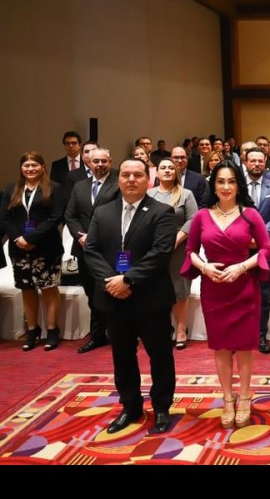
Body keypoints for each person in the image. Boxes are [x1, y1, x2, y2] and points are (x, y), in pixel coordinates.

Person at [83, 158, 178, 434]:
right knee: (122, 356)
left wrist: (128, 279)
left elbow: (161, 252)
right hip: (113, 298)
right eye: (126, 175)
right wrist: (111, 281)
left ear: (148, 180)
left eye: (137, 175)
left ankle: (161, 407)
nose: (131, 180)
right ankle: (130, 407)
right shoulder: (103, 212)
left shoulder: (162, 211)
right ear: (119, 179)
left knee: (160, 355)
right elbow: (91, 250)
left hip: (151, 298)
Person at [182, 160, 270, 429]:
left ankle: (244, 396)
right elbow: (190, 251)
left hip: (243, 287)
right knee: (220, 346)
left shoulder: (250, 214)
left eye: (231, 181)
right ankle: (227, 398)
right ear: (213, 185)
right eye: (220, 181)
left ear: (239, 185)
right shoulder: (201, 216)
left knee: (244, 346)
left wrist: (242, 267)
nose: (226, 187)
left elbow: (266, 249)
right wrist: (205, 267)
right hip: (214, 288)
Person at [0, 152, 67, 351]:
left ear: (43, 166)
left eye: (34, 165)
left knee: (48, 288)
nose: (30, 169)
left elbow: (56, 217)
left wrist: (31, 238)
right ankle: (32, 330)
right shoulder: (12, 188)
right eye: (26, 165)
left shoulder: (54, 187)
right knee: (26, 289)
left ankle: (52, 329)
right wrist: (18, 238)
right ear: (21, 168)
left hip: (46, 247)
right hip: (18, 247)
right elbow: (4, 218)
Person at [64, 146, 119, 354]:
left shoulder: (118, 183)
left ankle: (116, 333)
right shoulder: (80, 186)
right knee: (91, 294)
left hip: (108, 248)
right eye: (96, 161)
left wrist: (92, 236)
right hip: (83, 248)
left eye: (104, 161)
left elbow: (118, 213)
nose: (100, 165)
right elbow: (70, 216)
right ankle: (97, 336)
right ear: (89, 163)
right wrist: (80, 236)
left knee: (109, 291)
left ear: (110, 162)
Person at [148, 157, 198, 349]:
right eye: (163, 167)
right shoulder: (149, 194)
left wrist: (175, 240)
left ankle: (181, 329)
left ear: (176, 172)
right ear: (157, 172)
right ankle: (164, 328)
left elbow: (193, 219)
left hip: (179, 248)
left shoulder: (186, 194)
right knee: (158, 289)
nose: (167, 170)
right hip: (154, 248)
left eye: (171, 167)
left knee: (179, 289)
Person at [243, 147, 270, 355]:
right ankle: (242, 333)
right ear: (245, 162)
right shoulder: (237, 186)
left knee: (264, 292)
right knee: (240, 292)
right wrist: (246, 237)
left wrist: (259, 236)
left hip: (265, 247)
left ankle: (260, 334)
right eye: (252, 160)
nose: (256, 164)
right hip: (240, 247)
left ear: (265, 162)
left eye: (260, 161)